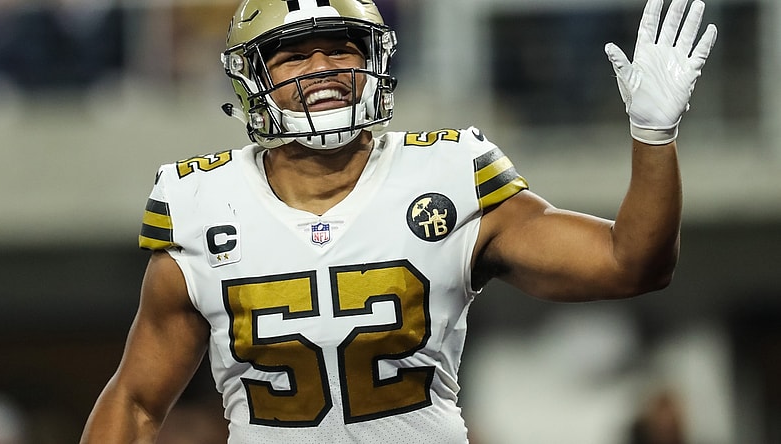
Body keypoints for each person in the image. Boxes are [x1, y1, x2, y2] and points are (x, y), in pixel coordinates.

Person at [80, 0, 717, 442]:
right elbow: (136, 402)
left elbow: (632, 263)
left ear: (375, 62)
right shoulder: (202, 205)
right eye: (294, 57)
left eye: (341, 50)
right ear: (253, 80)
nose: (323, 69)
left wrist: (653, 135)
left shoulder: (448, 172)